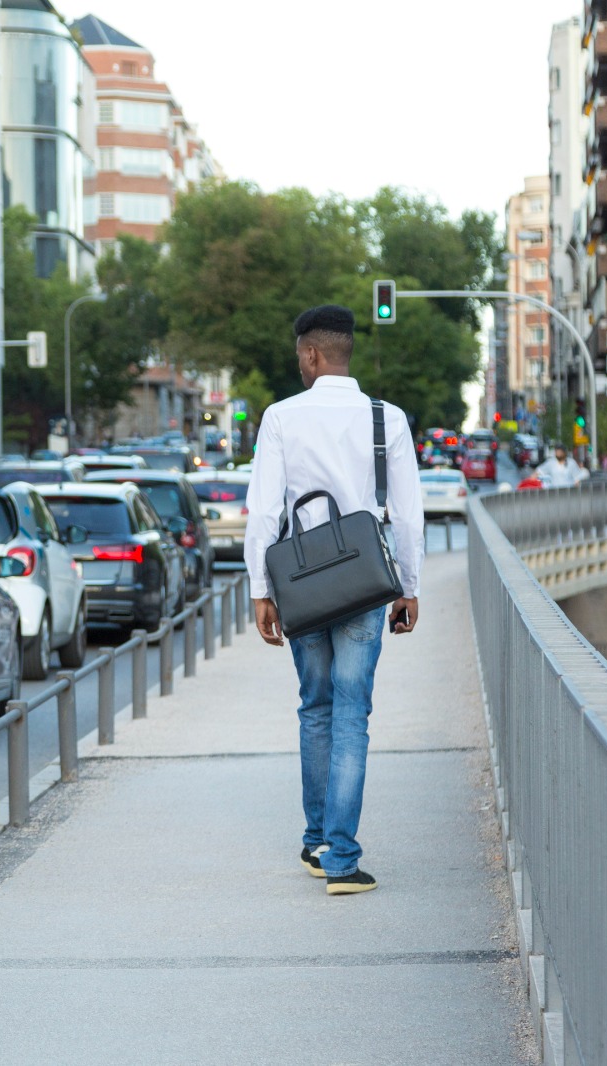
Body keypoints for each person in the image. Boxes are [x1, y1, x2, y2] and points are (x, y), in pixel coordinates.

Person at [244, 305, 425, 897]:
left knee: (315, 709)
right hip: (364, 583)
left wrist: (260, 590)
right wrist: (409, 586)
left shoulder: (280, 417)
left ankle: (317, 841)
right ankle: (342, 860)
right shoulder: (386, 418)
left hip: (301, 583)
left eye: (300, 356)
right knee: (352, 717)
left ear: (312, 354)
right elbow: (408, 513)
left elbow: (264, 511)